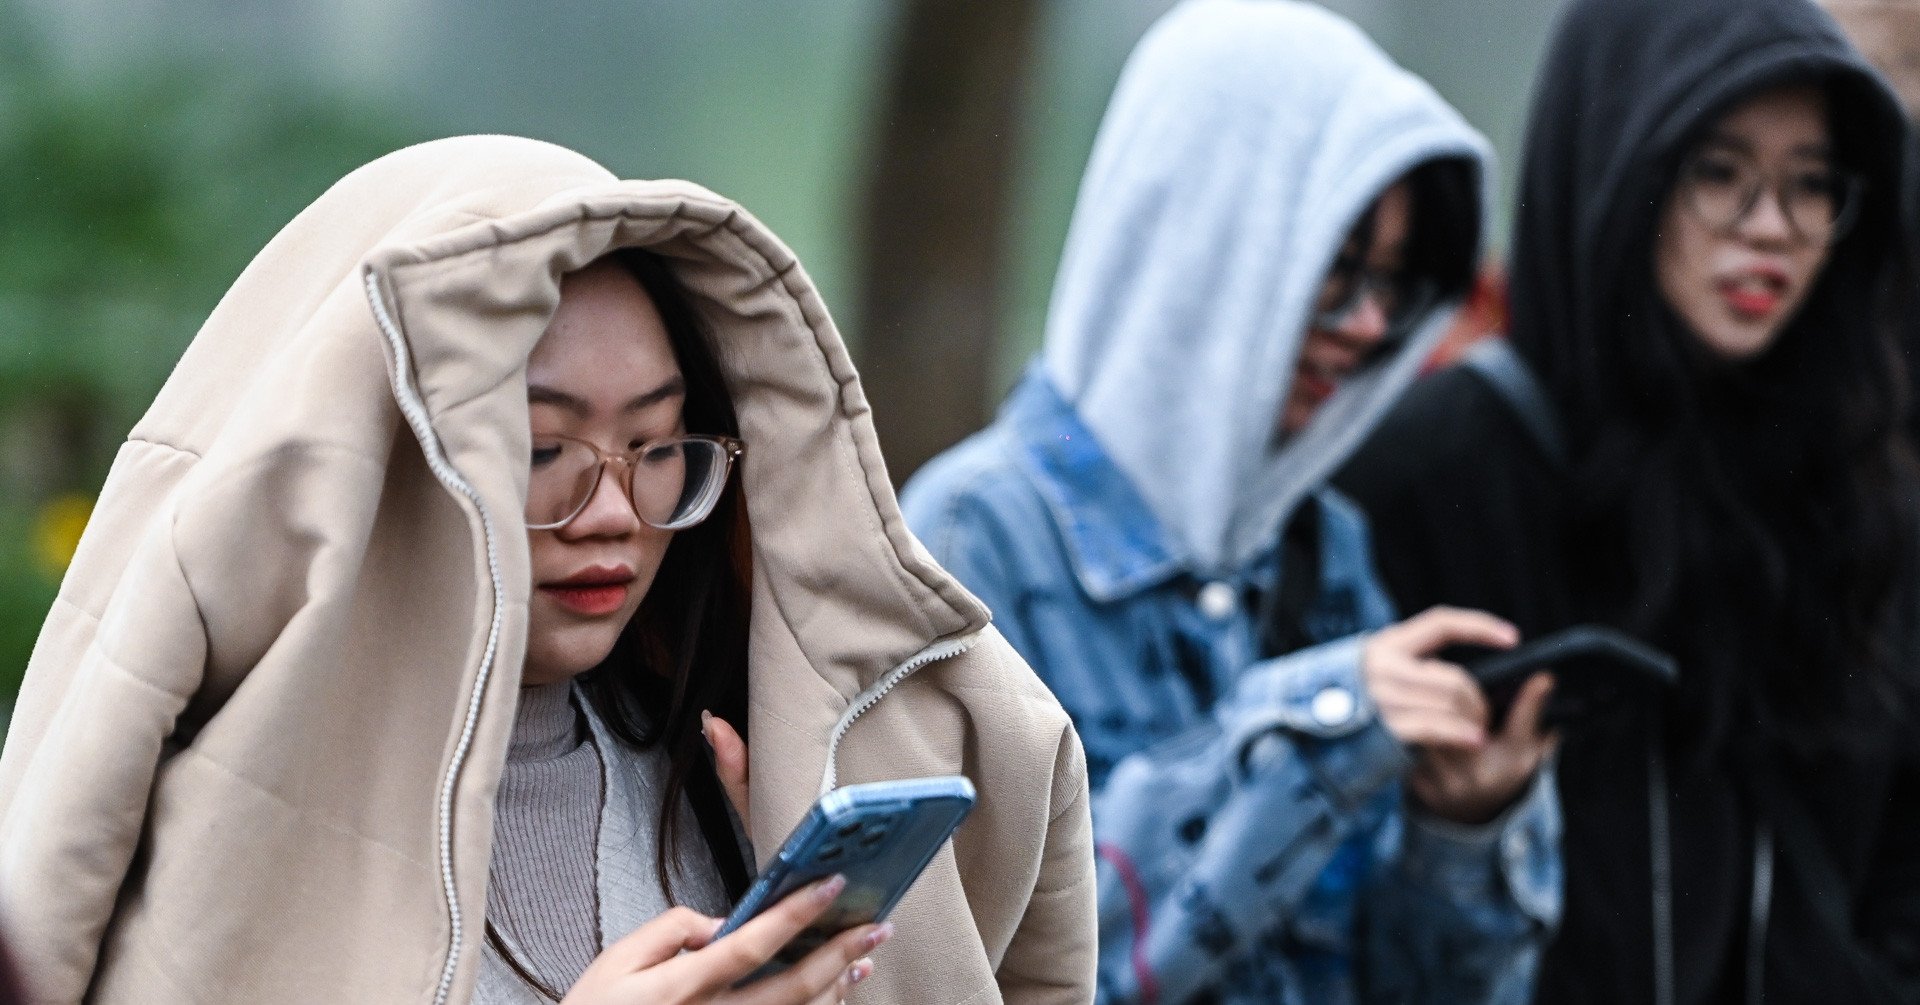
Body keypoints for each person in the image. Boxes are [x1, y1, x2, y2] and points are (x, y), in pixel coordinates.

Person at [0, 136, 1095, 1003]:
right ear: (394, 450)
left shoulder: (741, 776)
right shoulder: (216, 837)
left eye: (660, 447)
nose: (614, 513)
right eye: (538, 451)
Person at [902, 2, 1560, 1001]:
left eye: (1396, 287)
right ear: (1201, 240)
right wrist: (1312, 732)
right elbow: (988, 956)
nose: (1368, 327)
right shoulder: (974, 533)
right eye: (1334, 273)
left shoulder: (1328, 550)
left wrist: (1459, 830)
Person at [1337, 0, 1920, 999]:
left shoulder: (1853, 489)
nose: (1770, 228)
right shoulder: (1424, 477)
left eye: (1813, 183)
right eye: (1719, 173)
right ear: (1619, 166)